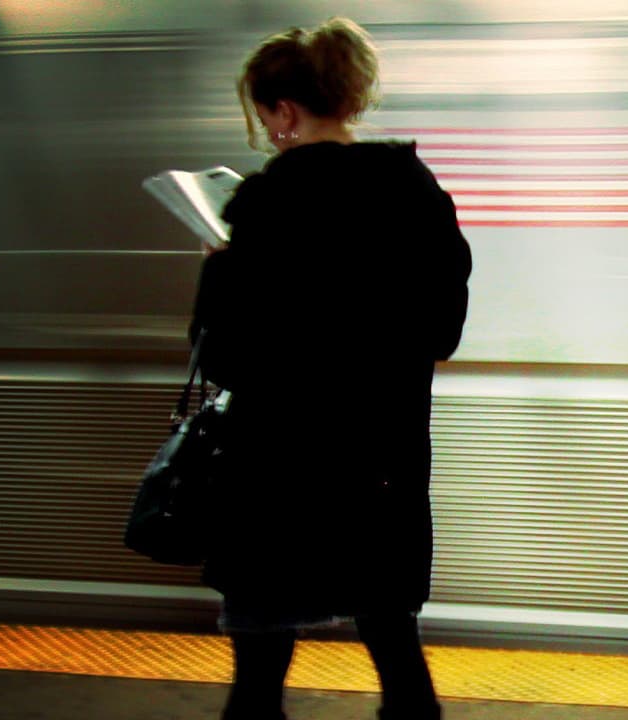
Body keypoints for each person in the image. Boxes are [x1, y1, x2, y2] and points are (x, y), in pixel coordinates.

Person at [188, 17, 471, 720]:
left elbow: (225, 356)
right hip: (383, 461)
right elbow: (443, 332)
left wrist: (217, 276)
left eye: (266, 119)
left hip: (277, 470)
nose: (269, 134)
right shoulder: (414, 189)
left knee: (257, 679)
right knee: (399, 661)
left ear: (284, 110)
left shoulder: (261, 204)